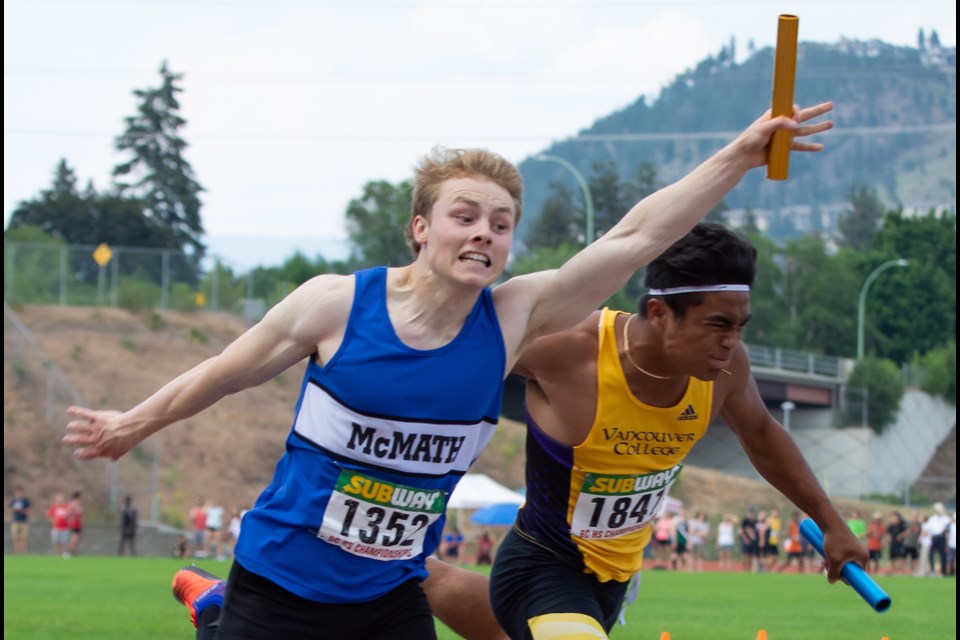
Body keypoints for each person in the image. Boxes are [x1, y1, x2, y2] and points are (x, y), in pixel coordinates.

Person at [64, 101, 835, 640]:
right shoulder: (335, 308)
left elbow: (635, 238)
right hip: (282, 581)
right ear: (421, 227)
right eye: (466, 216)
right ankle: (216, 612)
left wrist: (740, 152)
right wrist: (133, 423)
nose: (485, 234)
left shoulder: (510, 322)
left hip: (391, 595)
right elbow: (226, 372)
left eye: (502, 224)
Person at [436, 223, 868, 640]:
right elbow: (448, 337)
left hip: (614, 582)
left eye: (740, 327)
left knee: (497, 629)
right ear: (660, 313)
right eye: (717, 325)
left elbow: (760, 433)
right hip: (541, 564)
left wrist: (832, 523)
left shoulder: (726, 369)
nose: (730, 342)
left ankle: (409, 572)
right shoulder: (570, 349)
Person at [925, 502, 952, 576]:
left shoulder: (946, 519)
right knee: (931, 554)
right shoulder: (932, 518)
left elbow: (947, 530)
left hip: (942, 538)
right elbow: (929, 529)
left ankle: (943, 571)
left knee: (943, 555)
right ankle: (932, 571)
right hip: (934, 538)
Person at [8, 484, 32, 554]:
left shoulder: (25, 501)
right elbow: (9, 509)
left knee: (23, 537)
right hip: (15, 521)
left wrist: (23, 511)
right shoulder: (13, 500)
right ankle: (16, 552)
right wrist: (14, 510)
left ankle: (23, 553)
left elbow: (29, 510)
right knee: (16, 538)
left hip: (23, 521)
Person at [46, 493, 70, 557]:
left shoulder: (66, 507)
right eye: (58, 499)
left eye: (61, 499)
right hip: (56, 528)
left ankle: (65, 553)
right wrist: (52, 521)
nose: (59, 501)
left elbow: (70, 515)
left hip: (64, 527)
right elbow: (49, 515)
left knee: (64, 542)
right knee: (56, 542)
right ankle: (58, 554)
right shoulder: (54, 507)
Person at [65, 491, 84, 557]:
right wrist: (69, 520)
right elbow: (68, 513)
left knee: (76, 539)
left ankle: (74, 552)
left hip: (78, 524)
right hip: (74, 524)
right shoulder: (73, 504)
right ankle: (66, 552)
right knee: (73, 539)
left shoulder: (79, 505)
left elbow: (80, 515)